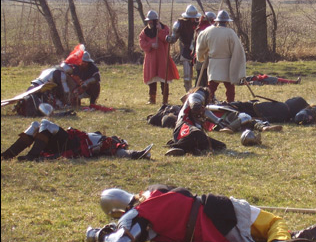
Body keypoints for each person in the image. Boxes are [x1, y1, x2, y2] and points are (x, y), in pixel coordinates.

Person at [86, 184, 316, 242]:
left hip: (208, 229)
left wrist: (96, 233)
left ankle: (294, 236)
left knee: (258, 229)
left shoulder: (141, 215)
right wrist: (102, 234)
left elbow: (121, 239)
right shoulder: (148, 202)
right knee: (273, 221)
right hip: (216, 211)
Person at [1, 119, 152, 161]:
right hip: (67, 141)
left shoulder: (110, 144)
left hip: (71, 145)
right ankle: (7, 155)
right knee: (36, 125)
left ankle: (31, 156)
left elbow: (123, 154)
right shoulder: (102, 137)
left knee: (46, 123)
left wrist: (140, 153)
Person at [196, 10, 246, 103]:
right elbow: (238, 50)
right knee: (229, 87)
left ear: (217, 21)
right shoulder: (230, 33)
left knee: (211, 87)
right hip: (226, 64)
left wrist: (201, 56)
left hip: (214, 63)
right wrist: (239, 67)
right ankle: (230, 103)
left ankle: (207, 103)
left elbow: (200, 44)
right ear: (227, 21)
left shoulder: (209, 31)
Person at [165, 87, 227, 156]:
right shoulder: (195, 96)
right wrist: (216, 120)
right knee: (196, 133)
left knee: (220, 146)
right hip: (184, 127)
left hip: (194, 132)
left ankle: (191, 148)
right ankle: (177, 147)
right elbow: (195, 106)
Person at [139, 10, 180, 105]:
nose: (149, 23)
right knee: (152, 79)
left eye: (151, 21)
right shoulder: (145, 31)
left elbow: (168, 40)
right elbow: (142, 42)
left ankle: (165, 100)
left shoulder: (164, 28)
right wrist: (151, 45)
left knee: (164, 79)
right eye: (148, 21)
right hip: (151, 59)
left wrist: (160, 31)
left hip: (162, 58)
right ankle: (152, 98)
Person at [166, 5, 201, 92]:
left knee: (201, 75)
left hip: (199, 51)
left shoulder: (200, 23)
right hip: (186, 51)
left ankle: (200, 93)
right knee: (187, 77)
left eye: (194, 17)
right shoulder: (180, 24)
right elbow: (174, 38)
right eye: (191, 17)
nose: (193, 19)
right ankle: (188, 94)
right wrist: (169, 39)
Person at [194, 11, 216, 87]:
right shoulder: (201, 30)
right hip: (202, 56)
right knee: (201, 79)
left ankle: (208, 95)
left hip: (210, 56)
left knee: (208, 79)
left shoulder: (211, 29)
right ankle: (198, 95)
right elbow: (202, 44)